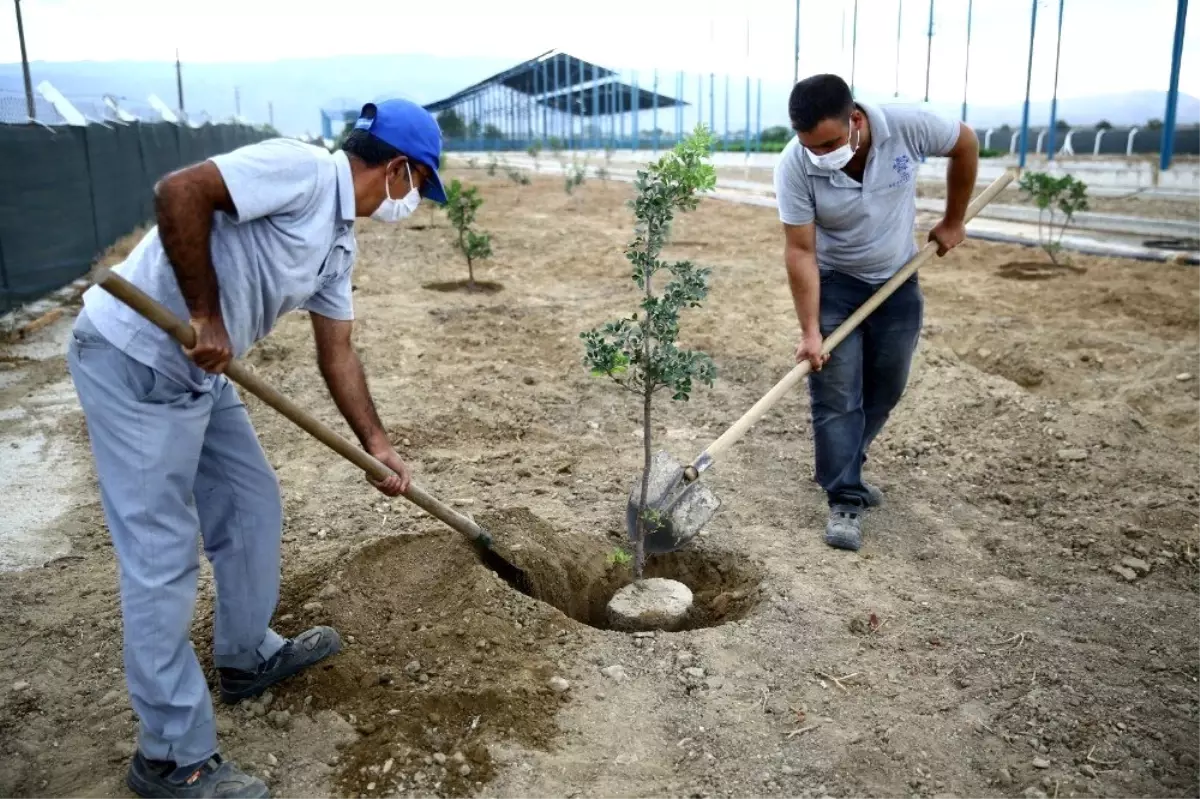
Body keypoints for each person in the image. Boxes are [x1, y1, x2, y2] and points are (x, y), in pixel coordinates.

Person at [67, 98, 447, 798]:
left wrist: (378, 444)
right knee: (160, 555)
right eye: (420, 185)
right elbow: (180, 191)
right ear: (399, 168)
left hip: (202, 374)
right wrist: (205, 314)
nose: (413, 202)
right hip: (138, 356)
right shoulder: (300, 170)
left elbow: (339, 352)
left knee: (251, 505)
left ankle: (246, 656)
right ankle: (169, 756)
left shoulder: (338, 241)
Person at [772, 74, 979, 552]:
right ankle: (844, 494)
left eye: (829, 143)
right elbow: (800, 250)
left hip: (898, 276)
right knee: (837, 390)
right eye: (810, 147)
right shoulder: (794, 165)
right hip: (837, 283)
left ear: (856, 120)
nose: (820, 155)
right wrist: (810, 331)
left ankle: (849, 462)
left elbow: (965, 143)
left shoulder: (908, 126)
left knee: (887, 385)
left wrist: (953, 218)